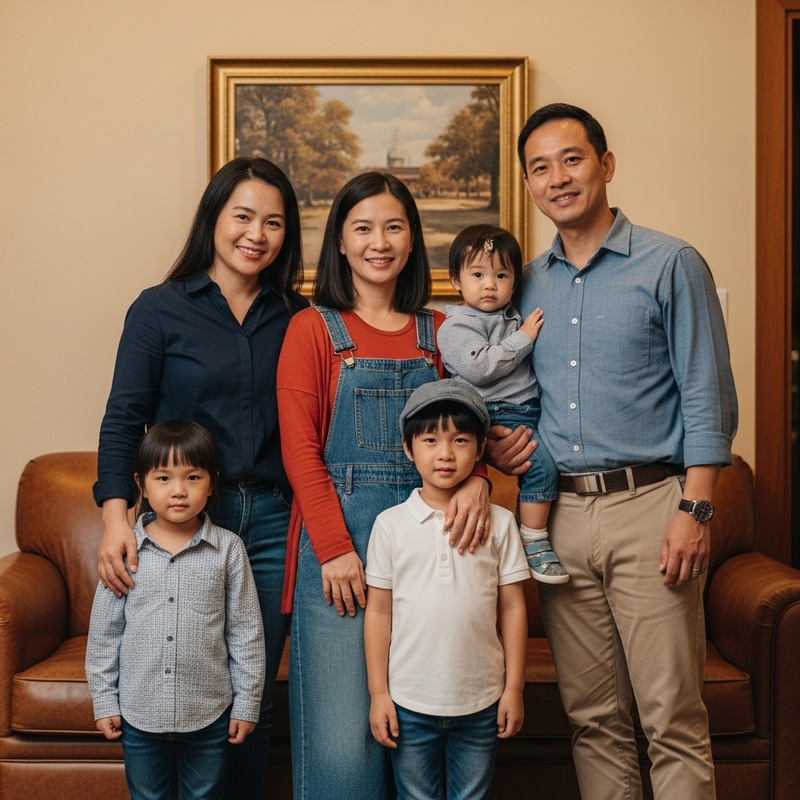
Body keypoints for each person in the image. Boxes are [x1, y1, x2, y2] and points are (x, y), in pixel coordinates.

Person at [488, 103, 738, 800]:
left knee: (672, 719)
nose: (558, 178)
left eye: (572, 159)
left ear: (606, 164)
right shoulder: (523, 283)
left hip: (652, 509)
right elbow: (508, 390)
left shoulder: (671, 263)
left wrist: (695, 509)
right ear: (529, 184)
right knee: (593, 721)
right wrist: (502, 445)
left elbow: (708, 397)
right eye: (541, 168)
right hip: (558, 519)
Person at [92, 157, 307, 798]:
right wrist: (115, 518)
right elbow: (123, 420)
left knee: (250, 695)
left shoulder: (298, 317)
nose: (256, 234)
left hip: (272, 524)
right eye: (243, 216)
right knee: (167, 684)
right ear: (213, 218)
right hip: (177, 523)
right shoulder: (158, 310)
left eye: (273, 222)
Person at [276, 171, 491, 800]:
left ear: (413, 239)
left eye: (394, 227)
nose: (380, 242)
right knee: (345, 755)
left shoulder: (444, 332)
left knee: (424, 749)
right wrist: (335, 549)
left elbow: (474, 428)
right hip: (340, 551)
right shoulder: (312, 329)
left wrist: (479, 479)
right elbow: (300, 450)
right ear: (340, 242)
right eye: (363, 228)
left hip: (436, 556)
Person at [364, 379, 529, 800]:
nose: (445, 453)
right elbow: (379, 612)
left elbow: (513, 607)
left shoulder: (500, 523)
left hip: (482, 701)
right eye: (430, 440)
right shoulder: (390, 525)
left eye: (460, 440)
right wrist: (379, 694)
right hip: (409, 703)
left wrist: (513, 689)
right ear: (408, 448)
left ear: (479, 450)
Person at [86, 420, 265, 800]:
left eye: (193, 477)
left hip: (209, 712)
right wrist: (104, 700)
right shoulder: (124, 552)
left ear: (212, 483)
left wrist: (247, 704)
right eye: (164, 478)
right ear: (141, 484)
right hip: (139, 711)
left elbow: (246, 633)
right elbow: (104, 635)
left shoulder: (229, 550)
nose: (179, 490)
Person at [438, 224, 568, 584]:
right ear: (456, 280)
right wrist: (524, 338)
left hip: (531, 409)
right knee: (540, 467)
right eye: (477, 275)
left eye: (501, 275)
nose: (490, 285)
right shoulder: (456, 326)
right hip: (497, 412)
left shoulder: (512, 316)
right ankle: (534, 540)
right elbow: (480, 368)